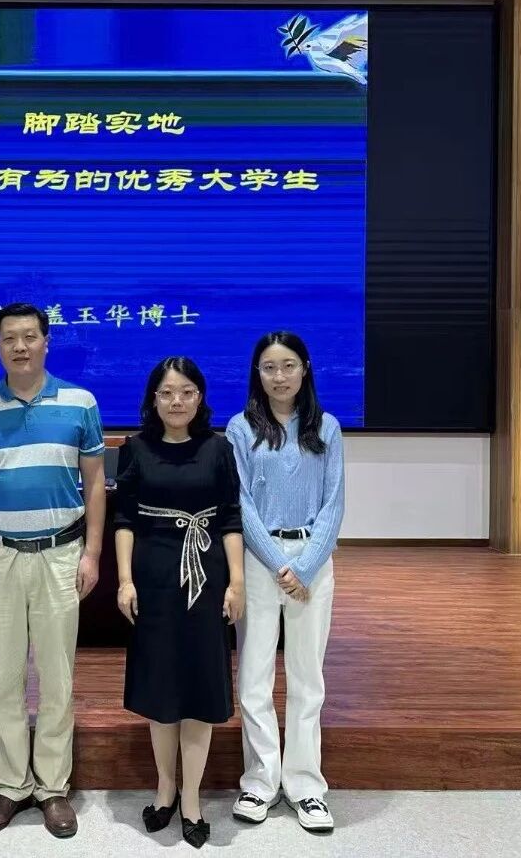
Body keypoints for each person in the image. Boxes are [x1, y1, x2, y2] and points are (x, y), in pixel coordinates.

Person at [0, 303, 107, 840]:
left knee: (57, 676)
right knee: (3, 676)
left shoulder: (80, 402)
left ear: (46, 341)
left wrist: (92, 553)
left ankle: (52, 788)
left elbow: (95, 482)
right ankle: (11, 785)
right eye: (9, 339)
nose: (19, 347)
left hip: (61, 555)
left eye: (29, 337)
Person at [114, 357, 244, 849]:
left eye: (187, 392)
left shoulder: (218, 449)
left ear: (200, 397)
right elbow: (125, 520)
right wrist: (125, 580)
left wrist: (236, 583)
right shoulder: (135, 449)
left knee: (199, 687)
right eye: (167, 392)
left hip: (206, 578)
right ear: (153, 398)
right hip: (153, 579)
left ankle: (192, 797)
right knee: (161, 688)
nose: (176, 401)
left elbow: (230, 518)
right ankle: (165, 788)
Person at [225, 331, 345, 834]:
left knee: (306, 677)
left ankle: (305, 786)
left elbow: (333, 503)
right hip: (259, 560)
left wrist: (307, 565)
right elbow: (241, 504)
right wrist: (279, 564)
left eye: (288, 365)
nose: (279, 376)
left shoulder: (327, 427)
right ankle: (259, 781)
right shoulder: (240, 428)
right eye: (269, 367)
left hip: (313, 562)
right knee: (254, 675)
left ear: (305, 369)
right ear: (257, 373)